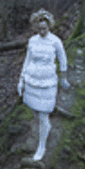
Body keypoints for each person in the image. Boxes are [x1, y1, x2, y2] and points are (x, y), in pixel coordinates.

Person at [18, 9, 70, 161]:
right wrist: (21, 80)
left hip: (47, 83)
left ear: (49, 27)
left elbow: (63, 60)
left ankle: (42, 146)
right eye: (39, 28)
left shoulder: (55, 41)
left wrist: (63, 77)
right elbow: (27, 60)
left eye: (44, 29)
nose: (42, 31)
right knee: (35, 111)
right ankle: (44, 128)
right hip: (32, 81)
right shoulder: (32, 41)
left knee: (43, 114)